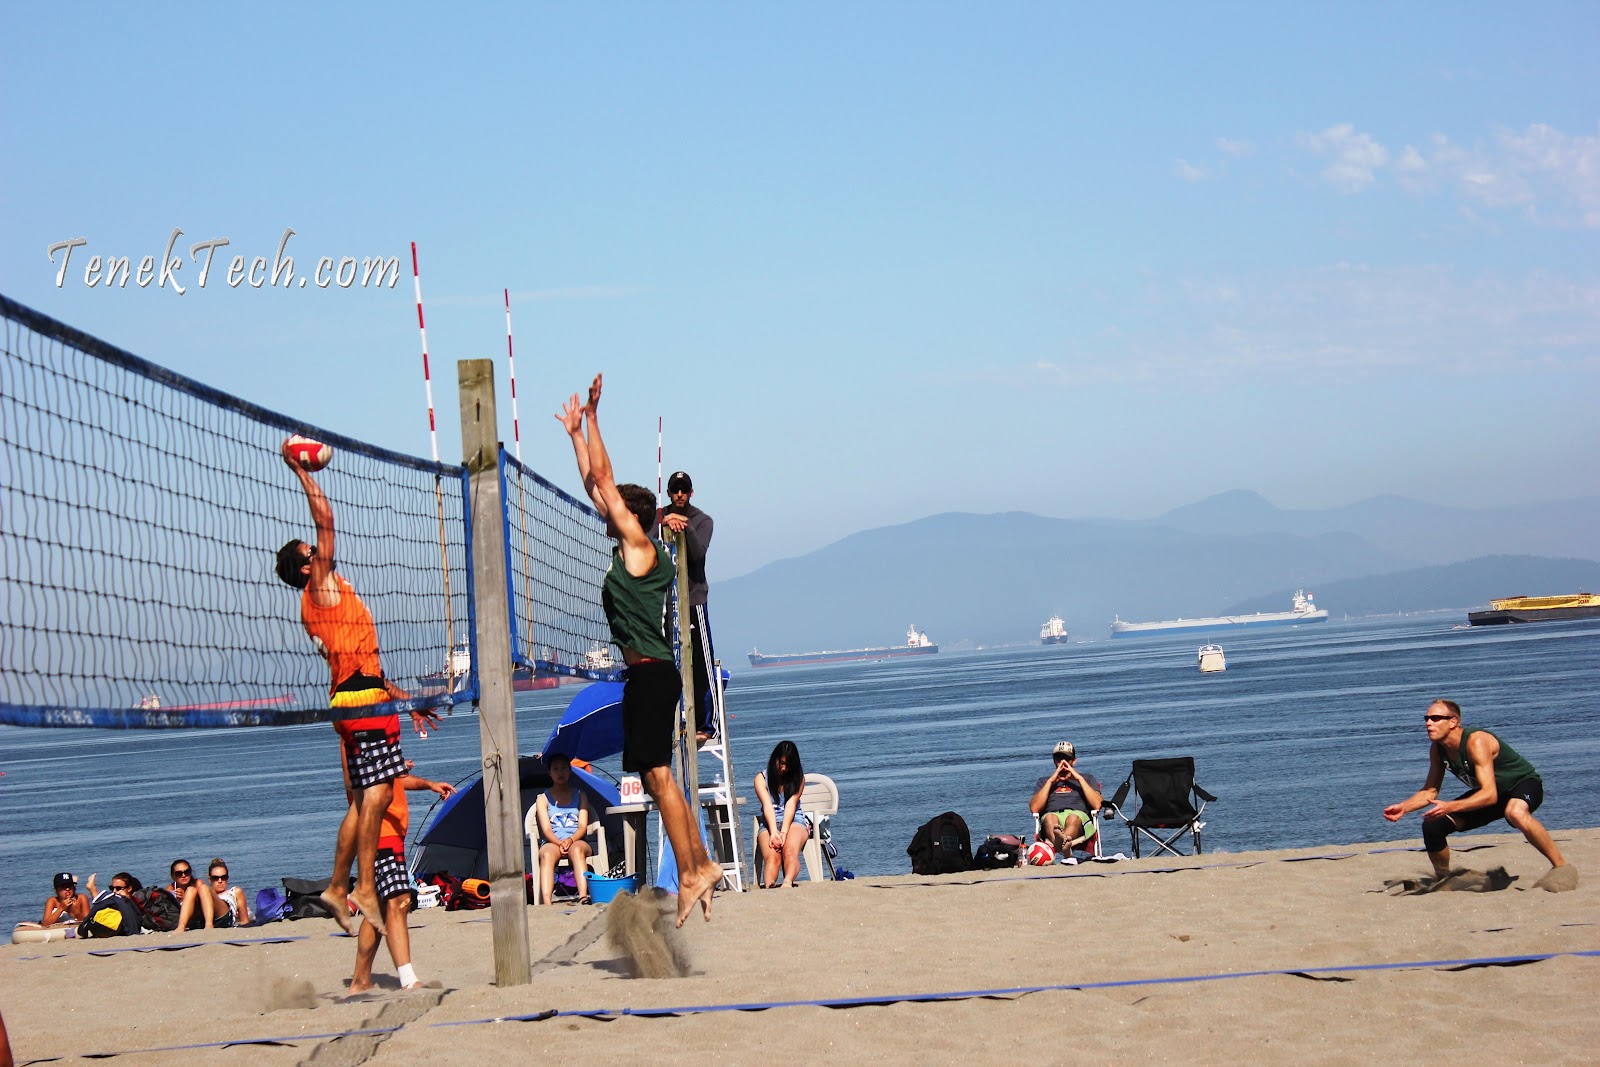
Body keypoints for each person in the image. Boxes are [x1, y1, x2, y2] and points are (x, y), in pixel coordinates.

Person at [557, 373, 723, 926]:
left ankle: (693, 869)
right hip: (644, 678)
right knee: (656, 778)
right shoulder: (630, 544)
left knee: (660, 776)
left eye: (613, 509)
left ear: (630, 516)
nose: (602, 510)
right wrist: (575, 435)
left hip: (653, 675)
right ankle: (702, 864)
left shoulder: (640, 547)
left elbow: (604, 480)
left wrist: (594, 419)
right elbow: (594, 483)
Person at [276, 443, 441, 931]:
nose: (317, 548)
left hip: (360, 697)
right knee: (377, 795)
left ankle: (336, 886)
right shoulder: (320, 587)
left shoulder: (328, 597)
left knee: (370, 795)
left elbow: (366, 667)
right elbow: (326, 519)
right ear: (307, 568)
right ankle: (360, 886)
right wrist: (302, 471)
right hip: (362, 703)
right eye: (310, 551)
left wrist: (408, 702)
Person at [1383, 699, 1569, 879]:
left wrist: (1449, 806)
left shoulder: (1476, 741)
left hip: (1522, 784)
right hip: (1493, 794)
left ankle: (1561, 867)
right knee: (1433, 825)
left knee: (1515, 813)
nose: (1429, 723)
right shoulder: (1437, 750)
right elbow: (1430, 791)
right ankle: (1443, 880)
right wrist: (1404, 807)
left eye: (1436, 718)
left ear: (1453, 722)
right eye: (1427, 718)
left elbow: (1489, 795)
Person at [350, 763, 453, 994]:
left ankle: (360, 980)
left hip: (389, 835)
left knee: (378, 910)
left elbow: (398, 780)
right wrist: (390, 767)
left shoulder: (382, 752)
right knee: (400, 900)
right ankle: (408, 980)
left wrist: (430, 784)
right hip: (379, 833)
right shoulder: (362, 747)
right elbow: (357, 781)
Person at [660, 470, 717, 742]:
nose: (680, 494)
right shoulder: (658, 517)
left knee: (702, 664)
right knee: (666, 665)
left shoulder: (703, 521)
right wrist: (665, 523)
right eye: (675, 490)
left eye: (684, 490)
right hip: (665, 604)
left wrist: (684, 525)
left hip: (694, 601)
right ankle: (670, 720)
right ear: (669, 493)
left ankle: (708, 724)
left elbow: (697, 553)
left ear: (691, 492)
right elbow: (646, 540)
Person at [534, 752, 596, 904]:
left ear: (569, 771)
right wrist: (559, 843)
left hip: (577, 840)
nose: (560, 772)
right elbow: (546, 830)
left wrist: (570, 840)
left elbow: (582, 826)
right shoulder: (542, 799)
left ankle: (583, 896)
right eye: (555, 769)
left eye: (563, 768)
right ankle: (547, 902)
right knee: (547, 854)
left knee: (576, 850)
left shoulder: (581, 795)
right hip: (552, 842)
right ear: (550, 773)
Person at [754, 740, 811, 888]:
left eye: (788, 764)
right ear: (775, 759)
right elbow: (767, 806)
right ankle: (770, 885)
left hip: (794, 820)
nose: (783, 768)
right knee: (772, 857)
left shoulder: (798, 779)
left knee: (789, 851)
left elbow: (791, 805)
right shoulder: (761, 779)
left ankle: (787, 881)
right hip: (769, 822)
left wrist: (784, 832)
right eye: (781, 763)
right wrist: (774, 832)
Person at [1030, 740, 1103, 856]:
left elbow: (1098, 804)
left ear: (1074, 761)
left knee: (1073, 817)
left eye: (1067, 759)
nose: (1062, 763)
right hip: (1053, 816)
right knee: (1050, 818)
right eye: (1059, 759)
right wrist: (1051, 781)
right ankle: (1064, 846)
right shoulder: (1044, 781)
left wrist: (1079, 779)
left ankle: (1060, 842)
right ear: (1054, 761)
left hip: (1078, 817)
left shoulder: (1086, 778)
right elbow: (1034, 808)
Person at [167, 858, 220, 930]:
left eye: (187, 872)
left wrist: (185, 898)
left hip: (201, 917)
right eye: (179, 873)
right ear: (173, 876)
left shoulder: (198, 884)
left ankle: (209, 925)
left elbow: (203, 902)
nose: (183, 875)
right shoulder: (171, 888)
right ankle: (181, 927)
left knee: (192, 889)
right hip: (188, 922)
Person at [205, 859, 251, 928]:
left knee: (202, 886)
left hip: (226, 917)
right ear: (210, 879)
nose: (220, 881)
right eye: (215, 878)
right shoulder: (205, 895)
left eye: (223, 877)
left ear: (227, 878)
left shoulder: (235, 892)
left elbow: (245, 921)